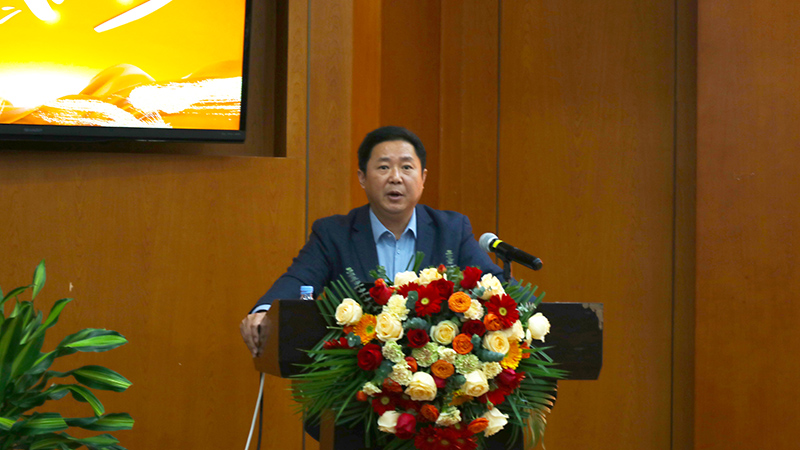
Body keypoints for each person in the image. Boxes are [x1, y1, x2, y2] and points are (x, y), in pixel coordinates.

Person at [240, 126, 504, 357]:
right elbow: (299, 279)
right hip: (356, 375)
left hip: (434, 379)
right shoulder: (334, 234)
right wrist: (264, 311)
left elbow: (494, 285)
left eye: (406, 167)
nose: (396, 177)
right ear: (362, 178)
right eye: (383, 167)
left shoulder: (450, 230)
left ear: (423, 178)